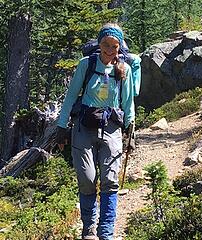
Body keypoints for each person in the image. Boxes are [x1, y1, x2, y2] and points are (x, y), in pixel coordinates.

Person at [56, 23, 135, 240]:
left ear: (120, 47)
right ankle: (89, 228)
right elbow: (71, 96)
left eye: (114, 46)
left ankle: (106, 232)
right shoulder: (86, 65)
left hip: (112, 129)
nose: (110, 51)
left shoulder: (124, 70)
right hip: (84, 128)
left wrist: (130, 131)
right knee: (87, 179)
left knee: (110, 180)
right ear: (99, 45)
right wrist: (61, 128)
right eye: (106, 45)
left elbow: (128, 103)